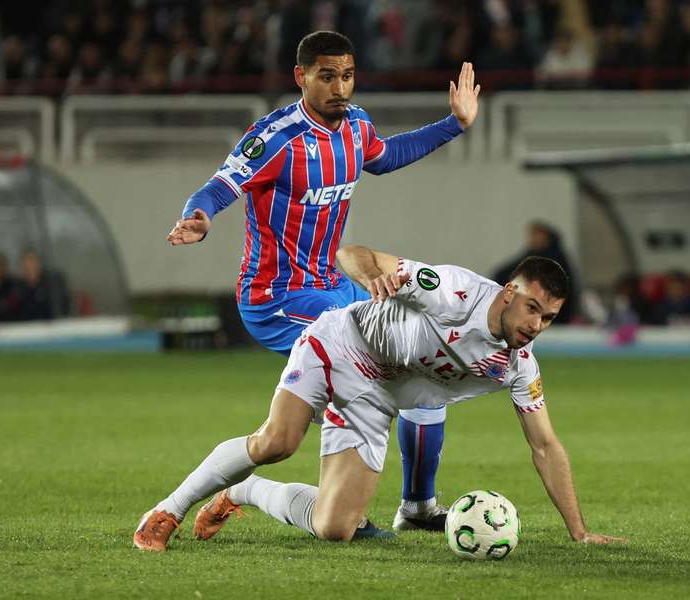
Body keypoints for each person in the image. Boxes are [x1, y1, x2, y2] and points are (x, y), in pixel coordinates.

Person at [165, 31, 481, 534]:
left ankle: (417, 507)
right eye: (328, 76)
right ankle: (300, 503)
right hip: (277, 298)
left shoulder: (355, 126)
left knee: (426, 370)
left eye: (348, 76)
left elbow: (385, 156)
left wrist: (454, 124)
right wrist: (198, 215)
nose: (340, 87)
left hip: (334, 288)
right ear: (302, 76)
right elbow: (220, 185)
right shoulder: (276, 137)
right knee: (364, 383)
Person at [134, 245, 626, 550]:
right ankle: (165, 512)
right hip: (339, 345)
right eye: (532, 309)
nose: (536, 325)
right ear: (507, 293)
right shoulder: (451, 291)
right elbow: (355, 253)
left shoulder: (519, 366)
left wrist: (579, 531)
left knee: (334, 528)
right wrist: (370, 274)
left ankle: (243, 491)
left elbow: (545, 446)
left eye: (548, 318)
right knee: (277, 442)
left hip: (375, 400)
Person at [491, 221, 578, 324]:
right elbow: (506, 272)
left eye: (538, 236)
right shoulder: (530, 255)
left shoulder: (558, 260)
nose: (534, 239)